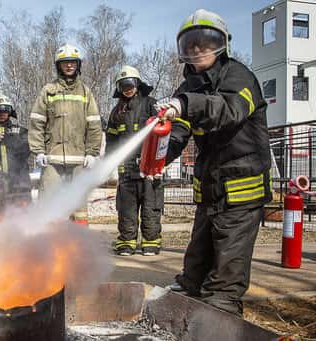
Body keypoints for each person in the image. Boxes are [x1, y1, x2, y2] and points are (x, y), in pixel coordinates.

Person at [159, 9, 272, 316]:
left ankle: (220, 321)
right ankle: (185, 312)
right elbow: (178, 135)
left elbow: (227, 109)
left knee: (224, 279)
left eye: (205, 42)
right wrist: (153, 159)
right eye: (191, 43)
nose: (197, 49)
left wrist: (184, 105)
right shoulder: (187, 89)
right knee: (194, 268)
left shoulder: (239, 77)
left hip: (242, 191)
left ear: (222, 45)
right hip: (209, 190)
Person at [28, 43, 102, 225]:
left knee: (79, 207)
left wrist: (92, 153)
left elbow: (94, 125)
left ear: (78, 65)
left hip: (78, 160)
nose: (69, 66)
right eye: (65, 63)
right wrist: (38, 151)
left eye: (72, 62)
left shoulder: (86, 92)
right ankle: (46, 245)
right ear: (58, 66)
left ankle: (79, 245)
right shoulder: (48, 91)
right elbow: (37, 122)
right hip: (53, 159)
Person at [106, 65, 163, 256]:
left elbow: (164, 134)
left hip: (150, 167)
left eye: (130, 84)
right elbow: (111, 142)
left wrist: (161, 161)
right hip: (127, 168)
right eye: (123, 86)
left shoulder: (151, 105)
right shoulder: (117, 112)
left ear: (137, 84)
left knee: (151, 206)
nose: (127, 89)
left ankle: (151, 242)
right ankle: (127, 242)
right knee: (126, 209)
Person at [0, 94, 31, 204]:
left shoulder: (21, 132)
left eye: (5, 110)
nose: (2, 114)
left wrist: (7, 138)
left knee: (25, 216)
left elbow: (27, 151)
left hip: (20, 183)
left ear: (10, 112)